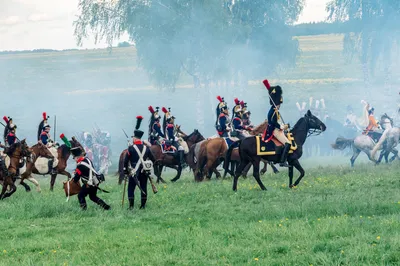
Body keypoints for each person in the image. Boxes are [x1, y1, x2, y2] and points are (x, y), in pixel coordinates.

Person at [124, 116, 156, 210]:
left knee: (131, 188)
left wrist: (125, 171)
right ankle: (143, 206)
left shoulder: (131, 148)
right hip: (144, 171)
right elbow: (153, 160)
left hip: (133, 171)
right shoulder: (147, 148)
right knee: (143, 187)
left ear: (134, 138)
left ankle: (131, 207)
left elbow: (126, 161)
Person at [262, 79, 291, 167]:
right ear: (277, 103)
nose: (280, 105)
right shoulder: (274, 111)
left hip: (275, 128)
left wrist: (283, 126)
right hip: (274, 130)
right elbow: (273, 122)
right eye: (279, 103)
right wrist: (282, 127)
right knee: (288, 143)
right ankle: (282, 161)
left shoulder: (274, 110)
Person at [71, 146, 111, 211]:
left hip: (89, 183)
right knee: (93, 197)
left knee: (80, 195)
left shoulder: (80, 165)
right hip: (95, 181)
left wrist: (74, 175)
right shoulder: (87, 160)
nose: (74, 159)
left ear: (77, 157)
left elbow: (76, 179)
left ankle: (84, 211)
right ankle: (107, 207)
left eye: (74, 158)